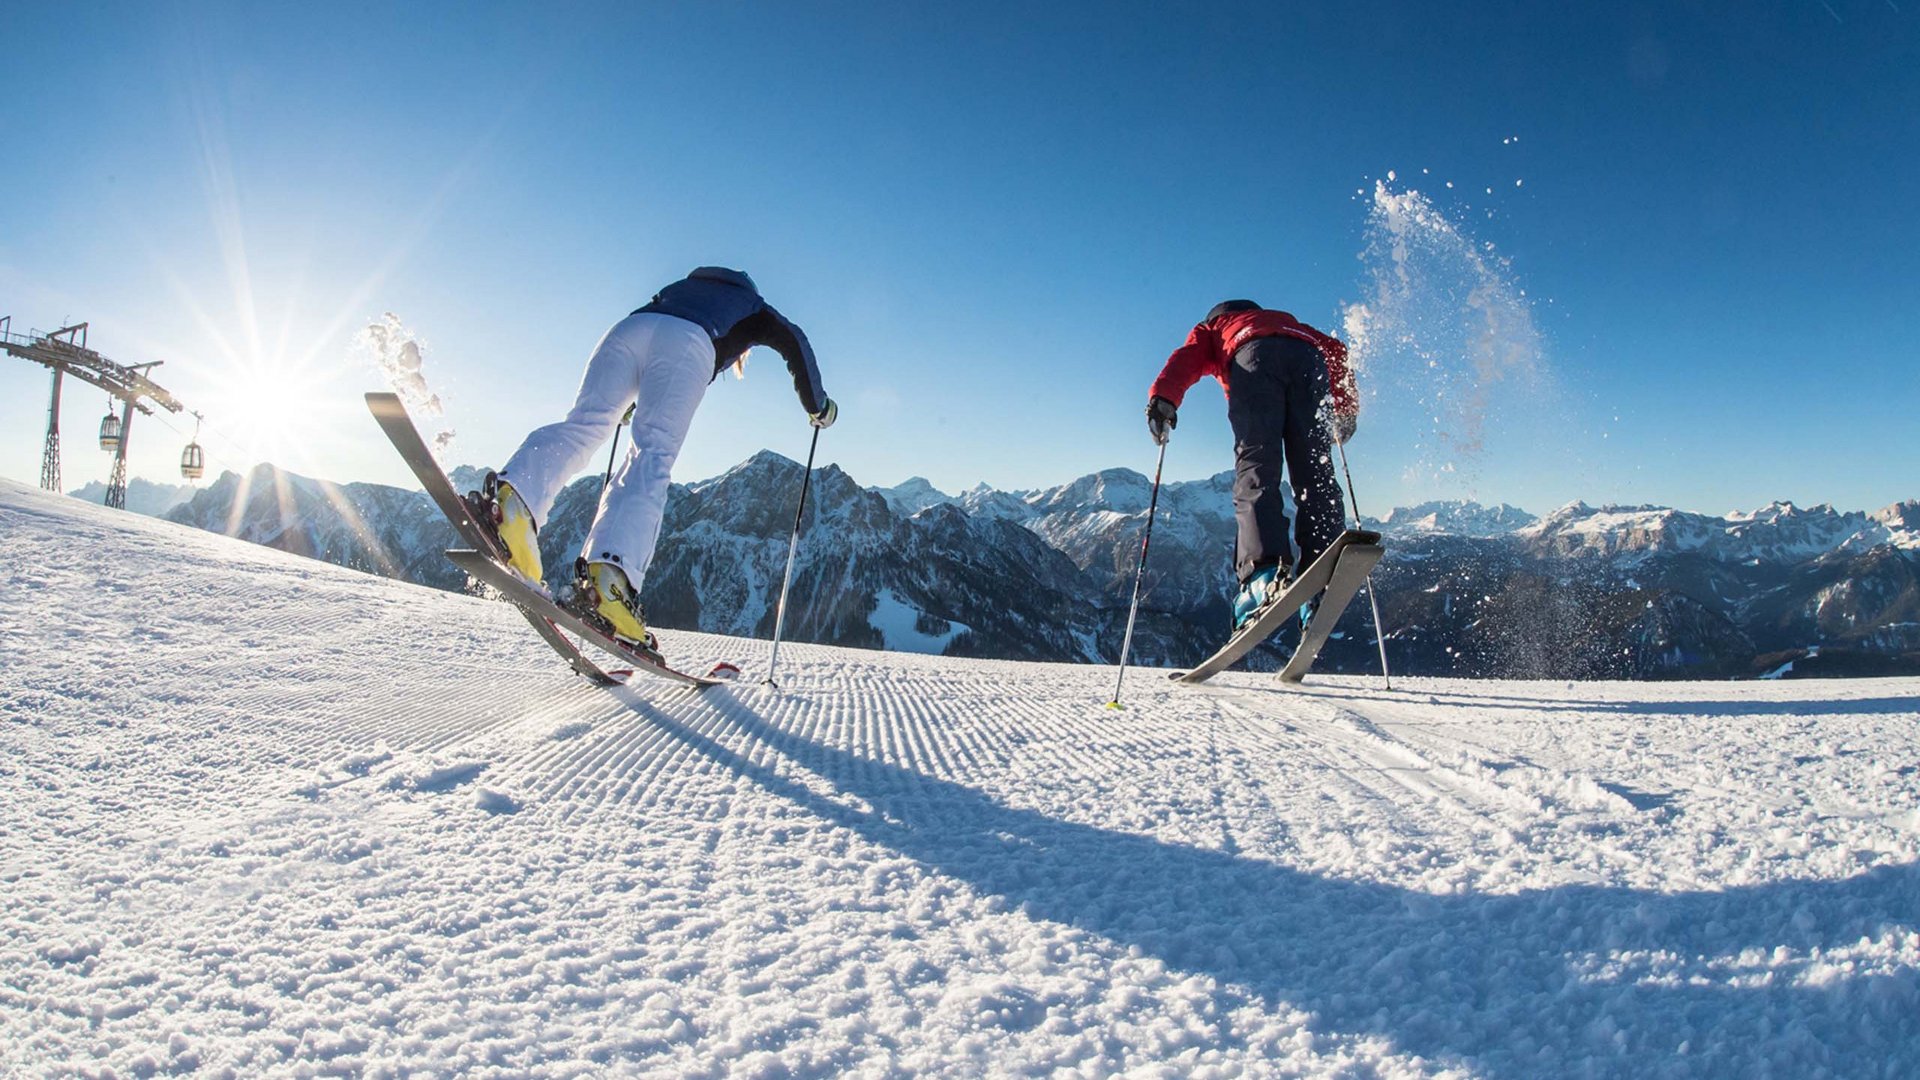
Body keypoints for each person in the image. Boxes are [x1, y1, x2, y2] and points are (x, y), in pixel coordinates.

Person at [475, 266, 836, 656]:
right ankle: (608, 583)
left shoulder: (676, 289)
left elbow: (653, 340)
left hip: (627, 330)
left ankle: (512, 504)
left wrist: (628, 401)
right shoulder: (752, 306)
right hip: (689, 344)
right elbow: (794, 340)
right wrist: (818, 406)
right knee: (652, 455)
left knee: (585, 422)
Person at [1145, 299, 1358, 632]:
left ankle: (1262, 575)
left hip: (1253, 361)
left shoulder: (1215, 328)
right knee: (1314, 466)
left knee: (1257, 465)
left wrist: (1163, 399)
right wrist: (1345, 409)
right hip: (1308, 361)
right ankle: (1322, 570)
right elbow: (1337, 353)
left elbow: (1186, 358)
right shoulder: (1291, 322)